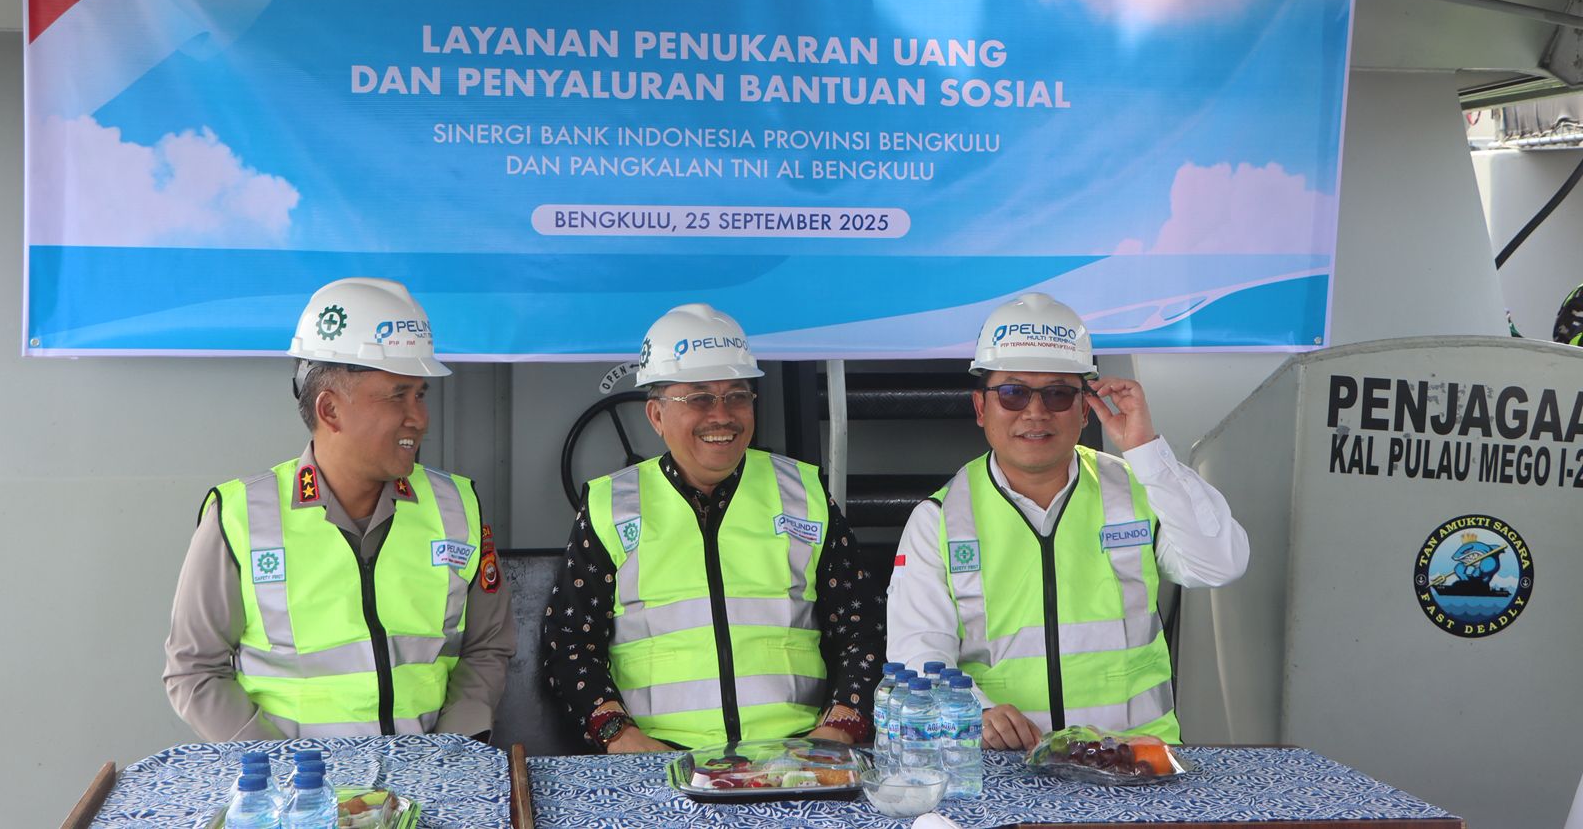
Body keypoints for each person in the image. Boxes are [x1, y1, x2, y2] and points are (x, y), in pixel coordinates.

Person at [886, 292, 1248, 748]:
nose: (1035, 412)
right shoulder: (938, 518)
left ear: (1084, 408)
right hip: (1009, 763)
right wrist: (977, 713)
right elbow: (918, 651)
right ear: (981, 408)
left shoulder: (1138, 488)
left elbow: (1221, 564)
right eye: (1013, 393)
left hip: (1133, 757)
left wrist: (1146, 452)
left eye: (1058, 394)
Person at [164, 277, 516, 740]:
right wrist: (282, 770)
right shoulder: (241, 516)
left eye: (421, 394)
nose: (419, 417)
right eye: (398, 395)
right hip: (295, 784)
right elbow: (195, 671)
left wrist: (450, 750)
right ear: (329, 410)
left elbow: (487, 648)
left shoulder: (456, 506)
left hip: (429, 776)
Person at [542, 303, 883, 752]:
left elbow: (862, 627)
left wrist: (839, 726)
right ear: (656, 416)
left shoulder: (805, 494)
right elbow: (569, 643)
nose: (722, 415)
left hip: (794, 758)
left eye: (737, 395)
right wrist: (619, 736)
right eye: (699, 398)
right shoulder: (611, 505)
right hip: (657, 761)